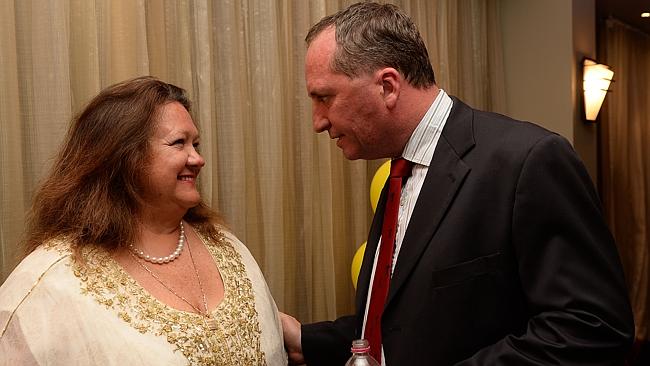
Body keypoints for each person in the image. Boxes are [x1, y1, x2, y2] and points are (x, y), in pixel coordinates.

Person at [280, 2, 634, 365]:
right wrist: (304, 339)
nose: (318, 122)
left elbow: (592, 327)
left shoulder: (527, 161)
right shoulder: (399, 173)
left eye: (324, 98)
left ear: (388, 86)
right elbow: (405, 323)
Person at [0, 76, 287, 365]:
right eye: (179, 143)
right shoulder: (47, 281)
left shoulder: (227, 247)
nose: (197, 159)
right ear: (125, 157)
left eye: (196, 144)